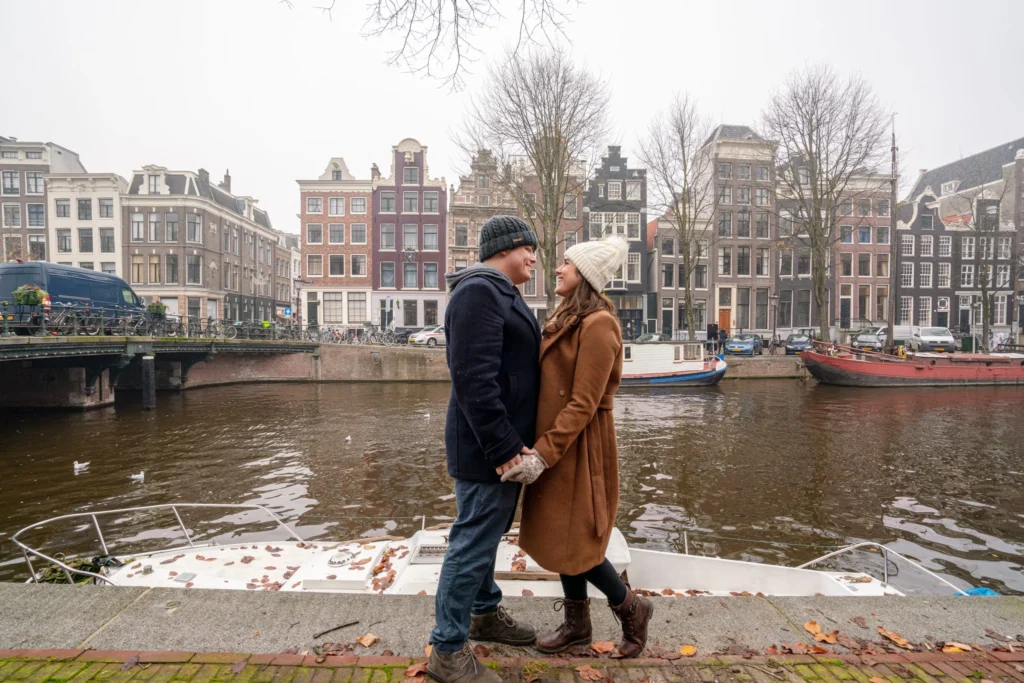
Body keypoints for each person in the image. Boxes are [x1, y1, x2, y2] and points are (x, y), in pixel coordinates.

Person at [501, 235, 654, 659]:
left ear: (584, 274)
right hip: (556, 442)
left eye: (566, 263)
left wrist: (544, 454)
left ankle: (630, 606)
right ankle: (577, 625)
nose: (557, 269)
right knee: (562, 540)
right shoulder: (568, 317)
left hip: (578, 446)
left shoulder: (599, 324)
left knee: (577, 542)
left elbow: (584, 403)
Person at [427, 215, 541, 683]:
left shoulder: (499, 292)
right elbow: (473, 378)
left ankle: (484, 613)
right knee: (471, 543)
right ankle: (447, 650)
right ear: (506, 248)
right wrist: (503, 448)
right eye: (529, 248)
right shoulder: (478, 292)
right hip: (488, 450)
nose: (535, 257)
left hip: (498, 446)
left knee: (484, 538)